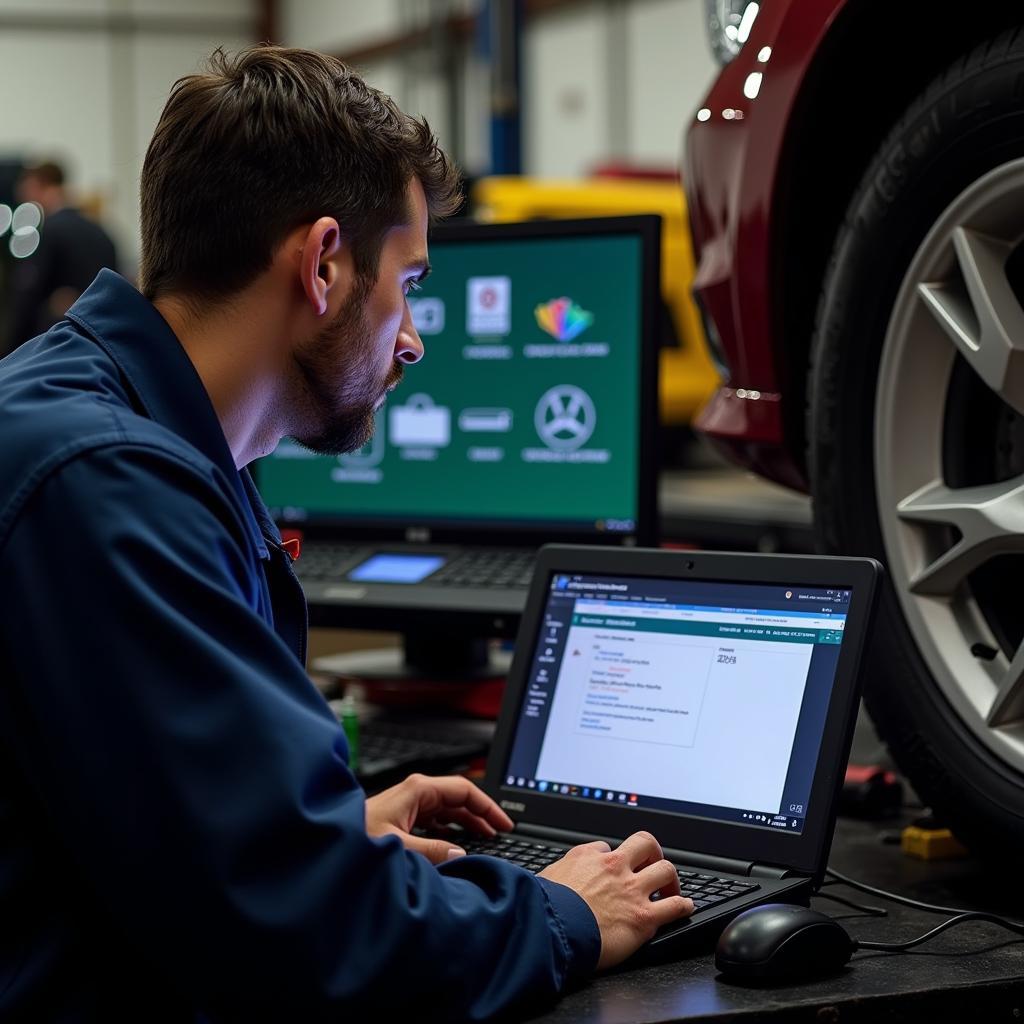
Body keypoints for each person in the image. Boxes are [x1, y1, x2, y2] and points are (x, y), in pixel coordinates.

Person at [0, 47, 692, 1022]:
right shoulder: (108, 484)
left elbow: (114, 819)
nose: (411, 337)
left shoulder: (136, 435)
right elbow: (310, 944)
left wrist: (317, 830)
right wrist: (563, 912)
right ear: (323, 261)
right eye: (405, 282)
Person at [5, 159, 118, 351]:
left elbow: (29, 295)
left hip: (58, 343)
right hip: (99, 343)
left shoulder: (50, 232)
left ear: (39, 186)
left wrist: (9, 348)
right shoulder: (101, 232)